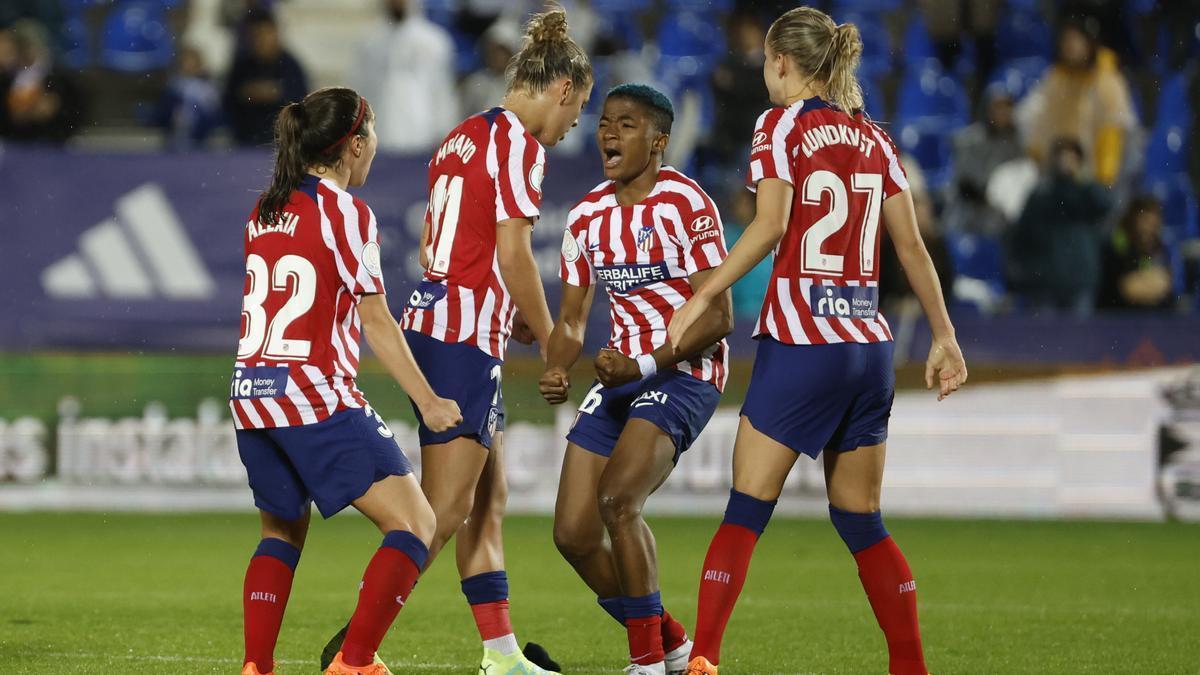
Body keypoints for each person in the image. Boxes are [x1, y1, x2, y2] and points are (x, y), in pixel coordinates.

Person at [667, 7, 967, 675]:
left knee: (745, 510)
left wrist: (703, 292)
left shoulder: (778, 126)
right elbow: (912, 246)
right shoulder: (875, 138)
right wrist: (944, 335)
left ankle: (704, 658)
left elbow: (770, 224)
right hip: (868, 345)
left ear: (780, 62)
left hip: (805, 341)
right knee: (861, 519)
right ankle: (910, 666)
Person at [320, 8, 592, 675]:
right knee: (438, 511)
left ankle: (501, 655)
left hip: (443, 320)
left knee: (484, 501)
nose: (574, 126)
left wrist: (515, 314)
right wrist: (554, 330)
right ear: (562, 90)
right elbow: (514, 253)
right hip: (463, 337)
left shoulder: (463, 137)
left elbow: (468, 242)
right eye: (579, 109)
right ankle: (352, 649)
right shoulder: (520, 146)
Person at [230, 87, 462, 675]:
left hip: (251, 394)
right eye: (374, 134)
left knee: (281, 531)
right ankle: (354, 663)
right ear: (355, 144)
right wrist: (429, 400)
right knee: (415, 524)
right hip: (310, 392)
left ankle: (256, 667)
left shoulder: (266, 207)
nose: (375, 147)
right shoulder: (346, 212)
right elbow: (375, 319)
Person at [542, 84, 732, 675]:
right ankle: (672, 641)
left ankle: (645, 662)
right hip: (623, 373)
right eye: (604, 124)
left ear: (658, 141)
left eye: (626, 125)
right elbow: (573, 318)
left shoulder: (687, 204)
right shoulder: (587, 215)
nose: (608, 135)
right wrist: (557, 361)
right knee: (572, 535)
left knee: (618, 501)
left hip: (683, 371)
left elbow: (719, 317)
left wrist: (646, 363)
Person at [1016, 19, 1137, 187]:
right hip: (1055, 173)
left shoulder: (1107, 82)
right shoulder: (1056, 77)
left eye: (1076, 40)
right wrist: (1037, 157)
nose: (1070, 46)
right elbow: (1037, 121)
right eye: (1066, 40)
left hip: (1092, 178)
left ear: (1090, 43)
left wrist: (1104, 179)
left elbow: (1112, 132)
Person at [1007, 136, 1111, 316]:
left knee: (1080, 338)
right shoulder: (1041, 194)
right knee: (1046, 340)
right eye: (1061, 157)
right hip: (1046, 281)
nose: (1066, 163)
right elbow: (1022, 234)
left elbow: (1105, 204)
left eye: (1072, 157)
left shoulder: (1086, 191)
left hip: (1081, 278)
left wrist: (1081, 178)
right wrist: (1031, 270)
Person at [352, 0, 459, 153]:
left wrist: (445, 133)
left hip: (421, 135)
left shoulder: (433, 40)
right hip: (380, 135)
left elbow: (442, 91)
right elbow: (360, 86)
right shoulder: (369, 41)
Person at [223, 10, 308, 146]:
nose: (261, 41)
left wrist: (276, 93)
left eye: (265, 34)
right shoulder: (242, 66)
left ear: (276, 33)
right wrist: (245, 93)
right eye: (256, 36)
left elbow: (302, 104)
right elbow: (227, 102)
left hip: (283, 145)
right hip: (244, 143)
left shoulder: (290, 65)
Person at [1097, 194, 1175, 312]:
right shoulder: (1118, 245)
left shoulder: (1159, 247)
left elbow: (1166, 285)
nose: (1149, 227)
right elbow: (1127, 288)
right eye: (1145, 220)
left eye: (1154, 222)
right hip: (1118, 317)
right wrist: (1150, 284)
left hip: (1154, 318)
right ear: (1133, 219)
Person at [151, 44, 224, 150]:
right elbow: (163, 111)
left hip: (202, 140)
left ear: (199, 64)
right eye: (184, 62)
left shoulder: (209, 87)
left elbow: (215, 113)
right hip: (173, 140)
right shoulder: (173, 85)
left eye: (191, 62)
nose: (187, 66)